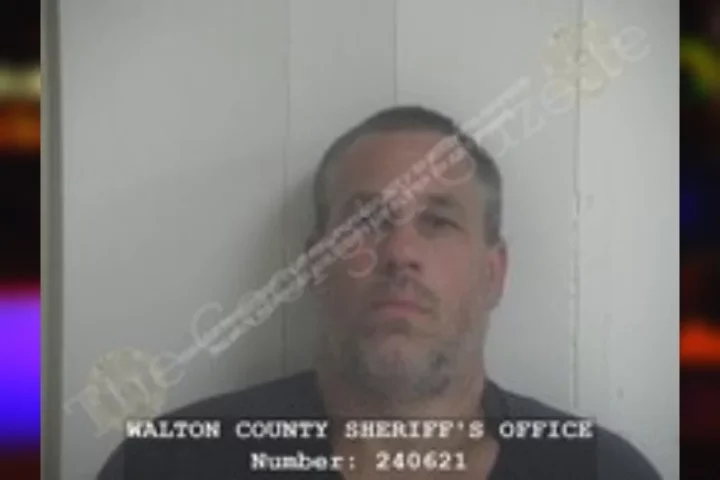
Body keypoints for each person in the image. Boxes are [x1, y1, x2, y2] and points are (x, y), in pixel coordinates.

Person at [97, 106, 661, 479]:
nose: (399, 252)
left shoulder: (603, 471)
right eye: (365, 222)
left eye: (438, 221)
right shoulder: (170, 463)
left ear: (494, 273)